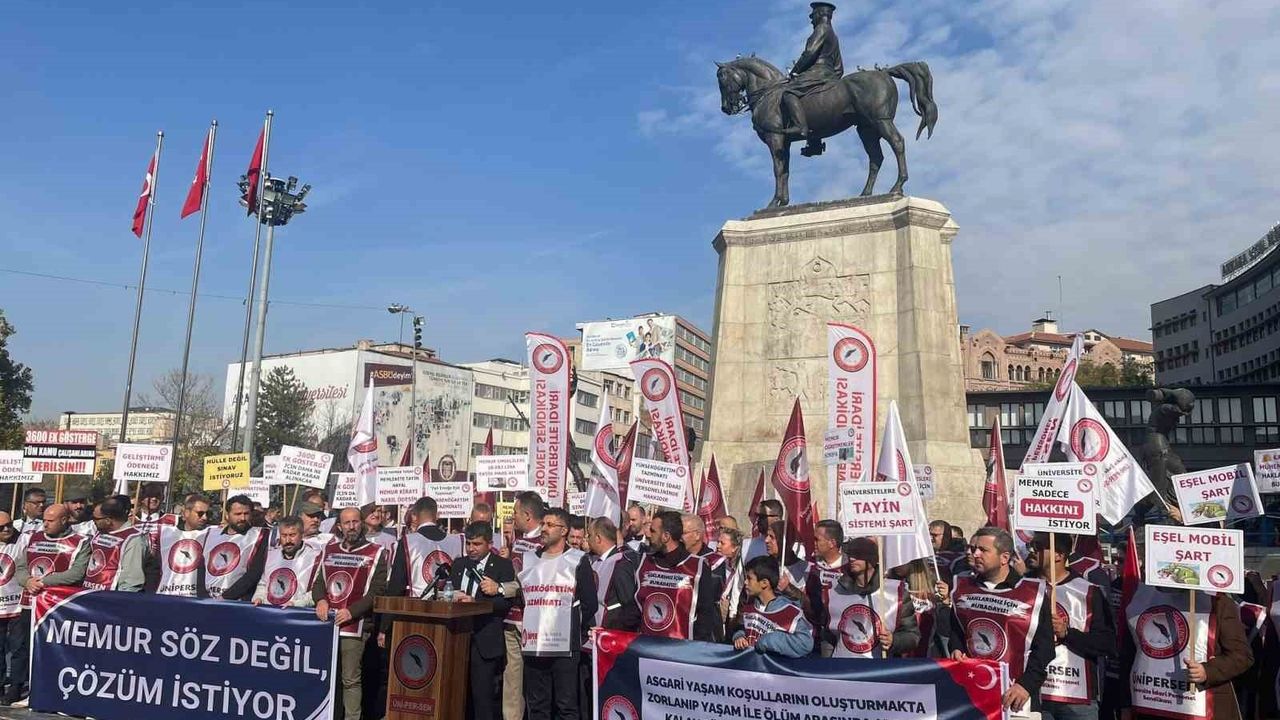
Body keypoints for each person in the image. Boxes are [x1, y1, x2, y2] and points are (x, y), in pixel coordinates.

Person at [949, 527, 1054, 714]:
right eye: (974, 549)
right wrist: (956, 648)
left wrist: (1026, 685)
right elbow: (957, 631)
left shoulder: (1033, 593)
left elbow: (1045, 648)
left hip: (1015, 694)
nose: (975, 554)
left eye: (983, 550)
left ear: (1004, 557)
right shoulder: (961, 587)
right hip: (972, 690)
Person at [1122, 573, 1252, 720]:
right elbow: (1128, 656)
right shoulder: (1141, 599)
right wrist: (1125, 703)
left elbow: (1242, 655)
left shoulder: (1218, 602)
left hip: (1201, 706)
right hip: (1152, 705)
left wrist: (1207, 671)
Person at [518, 508, 596, 720]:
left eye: (550, 525)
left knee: (566, 705)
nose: (544, 528)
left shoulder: (578, 560)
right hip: (534, 644)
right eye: (543, 523)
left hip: (564, 646)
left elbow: (590, 603)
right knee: (537, 705)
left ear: (564, 531)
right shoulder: (528, 559)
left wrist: (569, 624)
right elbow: (522, 597)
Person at [314, 508, 389, 720]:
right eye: (347, 523)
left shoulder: (376, 552)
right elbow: (319, 582)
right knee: (327, 678)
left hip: (355, 625)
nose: (352, 526)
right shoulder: (329, 550)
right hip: (327, 625)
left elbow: (377, 592)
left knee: (350, 680)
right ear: (339, 526)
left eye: (355, 522)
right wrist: (320, 599)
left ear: (362, 523)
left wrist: (351, 611)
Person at [1031, 533, 1115, 720]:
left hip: (1076, 697)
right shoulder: (1023, 587)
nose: (1032, 550)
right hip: (1032, 693)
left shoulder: (1089, 591)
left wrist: (1067, 633)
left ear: (1058, 555)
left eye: (1038, 546)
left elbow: (1107, 643)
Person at [14, 504, 89, 708]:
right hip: (30, 604)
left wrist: (45, 582)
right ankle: (20, 691)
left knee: (50, 650)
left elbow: (77, 573)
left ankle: (51, 693)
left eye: (50, 520)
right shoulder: (33, 538)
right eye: (44, 519)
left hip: (58, 609)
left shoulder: (80, 542)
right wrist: (27, 581)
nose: (44, 524)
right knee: (24, 649)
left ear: (64, 520)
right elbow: (20, 566)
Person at [451, 521, 515, 720]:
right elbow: (449, 592)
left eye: (476, 544)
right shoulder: (459, 564)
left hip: (484, 639)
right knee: (458, 696)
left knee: (483, 698)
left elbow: (506, 604)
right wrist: (451, 595)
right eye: (468, 543)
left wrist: (476, 602)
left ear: (489, 543)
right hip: (458, 638)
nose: (471, 549)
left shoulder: (503, 565)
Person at [818, 537, 918, 658]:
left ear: (873, 559)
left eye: (858, 554)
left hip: (877, 669)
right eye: (850, 554)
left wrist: (894, 641)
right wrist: (828, 664)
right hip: (842, 668)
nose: (852, 558)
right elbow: (827, 635)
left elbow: (912, 635)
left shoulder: (896, 592)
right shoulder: (834, 591)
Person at [635, 511, 720, 641]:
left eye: (653, 531)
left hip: (680, 650)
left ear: (666, 536)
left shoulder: (697, 567)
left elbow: (705, 614)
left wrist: (695, 647)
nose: (648, 534)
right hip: (647, 645)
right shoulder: (645, 562)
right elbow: (633, 609)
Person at [781, 2, 842, 153]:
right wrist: (834, 79)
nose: (811, 19)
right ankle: (814, 144)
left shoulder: (821, 29)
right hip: (830, 74)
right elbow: (839, 67)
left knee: (788, 92)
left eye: (812, 15)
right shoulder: (834, 35)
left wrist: (794, 72)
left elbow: (809, 53)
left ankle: (800, 126)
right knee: (812, 105)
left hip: (818, 71)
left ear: (820, 14)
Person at [732, 556, 813, 658]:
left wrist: (770, 640)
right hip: (752, 669)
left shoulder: (787, 610)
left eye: (749, 578)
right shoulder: (749, 606)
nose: (745, 582)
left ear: (764, 583)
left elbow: (805, 644)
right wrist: (739, 636)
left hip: (777, 670)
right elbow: (742, 628)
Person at [385, 496, 464, 599]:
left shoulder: (407, 542)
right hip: (449, 607)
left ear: (414, 516)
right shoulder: (458, 541)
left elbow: (397, 585)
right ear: (437, 515)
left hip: (416, 608)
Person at [203, 494, 269, 601]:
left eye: (246, 514)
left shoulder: (260, 536)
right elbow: (201, 566)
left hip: (238, 602)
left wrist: (225, 597)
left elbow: (254, 573)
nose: (242, 518)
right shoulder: (211, 533)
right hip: (207, 599)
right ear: (227, 515)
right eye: (238, 514)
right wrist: (203, 595)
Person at [148, 493, 210, 596]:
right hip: (165, 596)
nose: (204, 517)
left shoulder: (211, 534)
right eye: (200, 513)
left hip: (196, 599)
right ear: (186, 513)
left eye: (208, 514)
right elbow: (153, 569)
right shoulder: (166, 534)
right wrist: (150, 594)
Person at [253, 516, 320, 608]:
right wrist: (258, 598)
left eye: (292, 535)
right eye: (284, 535)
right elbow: (263, 583)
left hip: (295, 614)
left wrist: (296, 604)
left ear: (301, 534)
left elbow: (317, 591)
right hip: (269, 612)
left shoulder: (315, 558)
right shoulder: (271, 555)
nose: (288, 540)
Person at [586, 516, 638, 631]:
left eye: (589, 535)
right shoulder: (593, 561)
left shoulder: (620, 564)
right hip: (590, 634)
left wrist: (612, 629)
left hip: (608, 634)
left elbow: (629, 605)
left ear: (598, 538)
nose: (587, 539)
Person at [83, 496, 144, 592]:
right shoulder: (101, 532)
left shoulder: (133, 539)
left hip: (111, 598)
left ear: (108, 520)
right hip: (90, 593)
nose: (93, 521)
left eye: (96, 518)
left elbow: (131, 581)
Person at [0, 512, 30, 706]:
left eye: (9, 524)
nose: (6, 529)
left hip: (18, 604)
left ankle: (16, 687)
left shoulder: (23, 540)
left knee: (19, 648)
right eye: (1, 527)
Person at [764, 520, 807, 593]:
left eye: (772, 537)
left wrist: (788, 589)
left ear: (786, 540)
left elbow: (808, 601)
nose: (766, 540)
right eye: (767, 536)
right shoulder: (763, 566)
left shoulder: (805, 570)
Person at [134, 483, 175, 553]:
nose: (154, 499)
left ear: (163, 498)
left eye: (158, 495)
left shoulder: (171, 521)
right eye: (150, 495)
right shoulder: (131, 520)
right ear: (142, 498)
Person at [717, 527, 745, 627]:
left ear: (734, 548)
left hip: (732, 614)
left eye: (722, 543)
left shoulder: (741, 567)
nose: (718, 546)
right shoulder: (717, 562)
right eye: (718, 542)